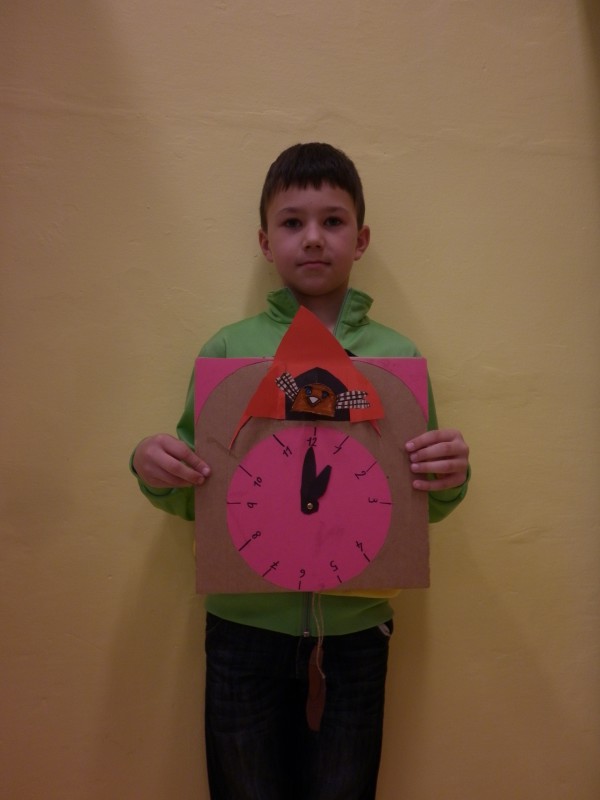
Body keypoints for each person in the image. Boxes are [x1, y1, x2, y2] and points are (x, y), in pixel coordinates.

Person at [131, 142, 470, 800]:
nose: (313, 237)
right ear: (265, 241)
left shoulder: (395, 360)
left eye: (333, 221)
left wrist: (450, 476)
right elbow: (198, 491)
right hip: (243, 630)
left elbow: (417, 503)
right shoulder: (229, 351)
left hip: (356, 636)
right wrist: (155, 467)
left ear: (361, 238)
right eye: (292, 222)